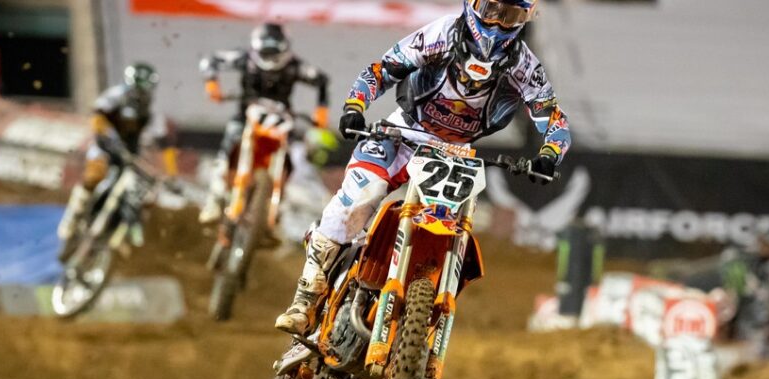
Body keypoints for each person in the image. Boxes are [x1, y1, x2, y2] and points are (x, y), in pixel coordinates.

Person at [275, 0, 572, 335]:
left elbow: (553, 118)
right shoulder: (440, 34)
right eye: (492, 10)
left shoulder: (525, 66)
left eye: (510, 16)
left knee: (454, 228)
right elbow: (382, 70)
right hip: (405, 132)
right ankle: (306, 296)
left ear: (525, 19)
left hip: (457, 153)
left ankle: (422, 308)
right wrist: (355, 107)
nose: (498, 24)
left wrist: (550, 154)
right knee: (361, 196)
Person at [197, 23, 331, 224]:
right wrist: (212, 84)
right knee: (227, 150)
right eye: (265, 51)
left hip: (280, 121)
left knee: (290, 161)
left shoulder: (294, 66)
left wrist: (321, 111)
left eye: (274, 52)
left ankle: (279, 206)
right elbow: (210, 60)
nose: (270, 58)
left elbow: (322, 80)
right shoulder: (245, 58)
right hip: (246, 118)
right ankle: (214, 199)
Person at [56, 62, 179, 259]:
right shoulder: (114, 97)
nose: (140, 94)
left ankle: (123, 232)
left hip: (130, 157)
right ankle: (73, 216)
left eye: (144, 90)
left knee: (141, 192)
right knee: (94, 176)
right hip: (105, 147)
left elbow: (166, 147)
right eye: (137, 89)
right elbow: (96, 116)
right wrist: (105, 133)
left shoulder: (153, 116)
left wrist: (171, 174)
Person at [720, 230, 769, 357]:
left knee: (757, 326)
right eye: (764, 244)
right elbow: (731, 258)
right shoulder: (752, 256)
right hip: (746, 306)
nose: (764, 247)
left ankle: (762, 350)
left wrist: (756, 288)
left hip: (759, 308)